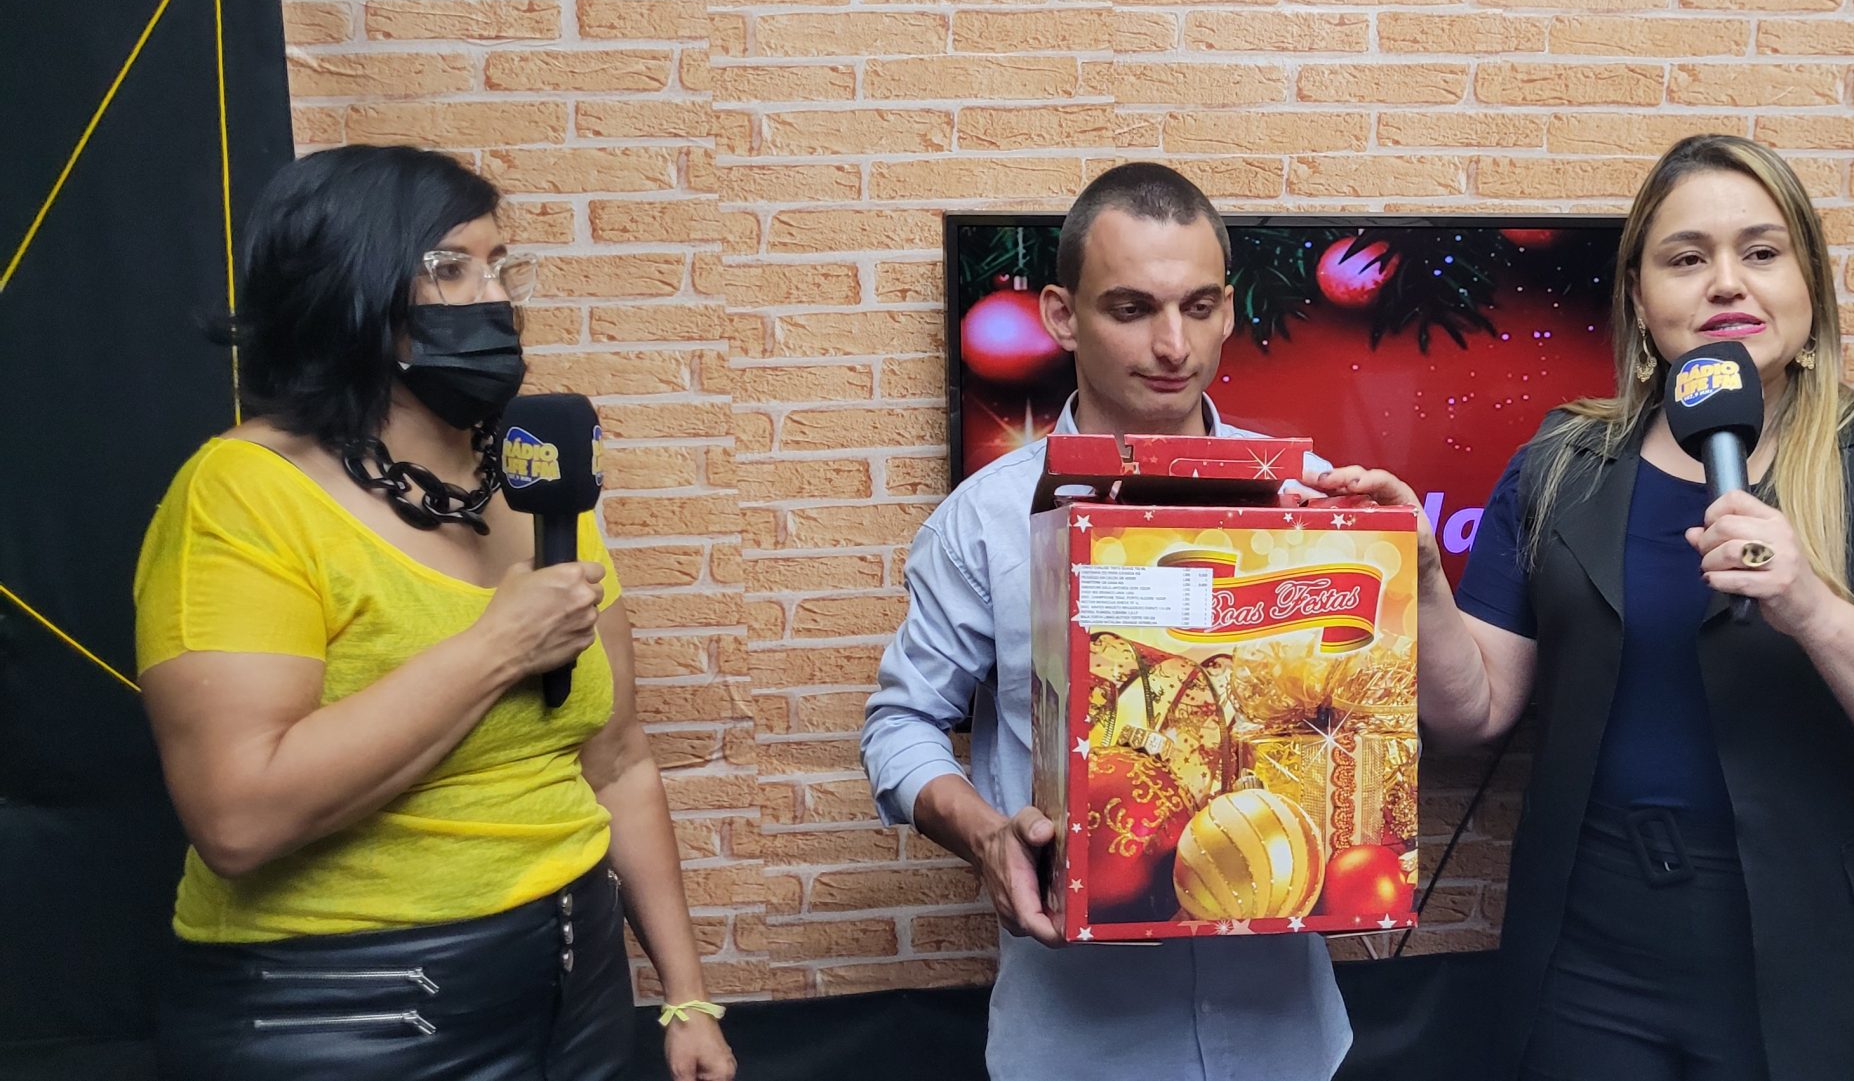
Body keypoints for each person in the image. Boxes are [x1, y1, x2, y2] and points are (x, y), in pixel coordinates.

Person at [1318, 134, 1854, 1080]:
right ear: (1639, 299)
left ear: (1810, 286)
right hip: (1593, 960)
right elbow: (1474, 711)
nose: (1726, 283)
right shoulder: (1560, 464)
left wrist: (1813, 608)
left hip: (1837, 958)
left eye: (1762, 252)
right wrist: (1421, 579)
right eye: (1687, 258)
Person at [133, 145, 735, 1081]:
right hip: (346, 1008)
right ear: (351, 289)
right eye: (449, 268)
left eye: (500, 266)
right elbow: (239, 816)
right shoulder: (242, 495)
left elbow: (618, 760)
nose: (491, 298)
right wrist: (498, 647)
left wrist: (686, 996)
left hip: (575, 982)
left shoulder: (538, 483)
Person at [861, 162, 1350, 1081]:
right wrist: (985, 834)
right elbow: (898, 724)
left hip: (1286, 1036)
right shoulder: (985, 520)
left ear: (1229, 309)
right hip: (1079, 1042)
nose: (1173, 344)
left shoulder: (1310, 498)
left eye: (1198, 307)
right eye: (1131, 309)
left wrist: (1411, 573)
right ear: (1060, 313)